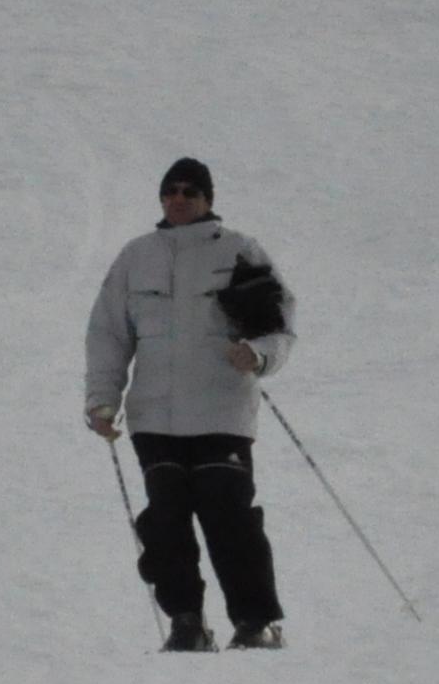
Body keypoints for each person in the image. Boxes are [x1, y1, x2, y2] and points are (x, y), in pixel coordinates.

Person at [85, 156, 294, 650]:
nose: (178, 199)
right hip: (154, 416)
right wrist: (101, 401)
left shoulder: (239, 250)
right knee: (165, 523)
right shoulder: (136, 256)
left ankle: (255, 623)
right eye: (170, 191)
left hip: (222, 411)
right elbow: (109, 333)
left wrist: (258, 354)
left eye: (189, 191)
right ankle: (186, 622)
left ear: (208, 199)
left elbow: (279, 323)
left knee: (229, 518)